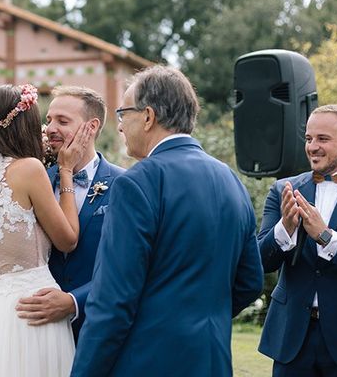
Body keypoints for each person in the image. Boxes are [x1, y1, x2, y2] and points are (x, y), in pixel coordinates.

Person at [71, 65, 264, 377]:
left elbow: (112, 301)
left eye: (124, 113)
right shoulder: (230, 179)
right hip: (212, 360)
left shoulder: (139, 182)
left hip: (148, 362)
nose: (120, 126)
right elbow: (250, 281)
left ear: (148, 117)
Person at [0, 85, 125, 342]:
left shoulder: (124, 185)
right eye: (48, 120)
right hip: (29, 324)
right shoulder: (28, 177)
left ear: (91, 127)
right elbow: (5, 239)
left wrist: (73, 302)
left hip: (96, 329)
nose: (50, 128)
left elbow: (129, 266)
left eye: (63, 121)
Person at [0, 83, 91, 376]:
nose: (45, 127)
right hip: (32, 309)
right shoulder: (29, 169)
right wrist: (65, 170)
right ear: (22, 126)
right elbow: (67, 241)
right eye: (40, 120)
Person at [258, 104, 337, 376]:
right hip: (293, 340)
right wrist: (285, 228)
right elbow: (260, 261)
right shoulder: (283, 189)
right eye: (308, 138)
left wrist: (327, 237)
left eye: (322, 139)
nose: (312, 147)